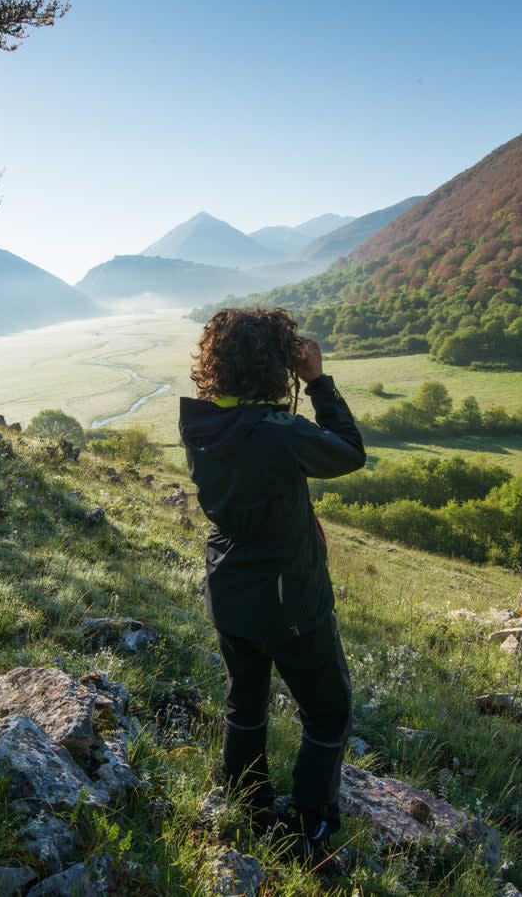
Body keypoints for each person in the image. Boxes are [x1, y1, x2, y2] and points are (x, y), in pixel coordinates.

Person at [178, 307, 365, 859]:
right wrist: (318, 381)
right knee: (327, 713)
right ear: (274, 366)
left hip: (229, 589)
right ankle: (310, 829)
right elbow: (349, 452)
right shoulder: (280, 431)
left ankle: (248, 804)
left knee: (246, 705)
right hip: (290, 600)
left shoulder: (200, 422)